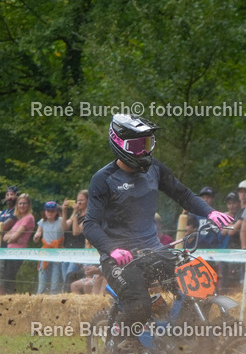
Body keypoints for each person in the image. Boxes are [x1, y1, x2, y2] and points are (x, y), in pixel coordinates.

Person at [84, 114, 232, 342]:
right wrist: (112, 249)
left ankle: (179, 342)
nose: (144, 151)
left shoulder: (154, 168)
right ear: (118, 143)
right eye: (136, 145)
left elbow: (182, 194)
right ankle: (115, 350)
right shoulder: (103, 179)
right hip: (120, 259)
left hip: (154, 251)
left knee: (197, 289)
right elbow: (90, 224)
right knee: (139, 308)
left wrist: (210, 212)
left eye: (147, 144)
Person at [1, 193, 36, 294]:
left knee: (9, 277)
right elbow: (6, 237)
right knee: (5, 278)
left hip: (18, 252)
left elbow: (14, 236)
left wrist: (12, 238)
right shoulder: (19, 219)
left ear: (29, 205)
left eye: (24, 203)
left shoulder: (29, 218)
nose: (22, 205)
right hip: (9, 252)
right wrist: (11, 237)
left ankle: (10, 298)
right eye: (20, 203)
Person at [33, 201, 64, 294]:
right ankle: (39, 297)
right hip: (45, 252)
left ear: (56, 212)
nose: (50, 213)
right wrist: (37, 235)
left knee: (55, 281)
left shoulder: (61, 221)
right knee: (42, 280)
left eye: (52, 211)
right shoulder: (42, 222)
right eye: (48, 211)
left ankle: (53, 299)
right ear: (45, 212)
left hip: (57, 252)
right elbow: (37, 236)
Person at [61, 190, 88, 290]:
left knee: (69, 275)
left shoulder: (88, 216)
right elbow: (64, 227)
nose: (79, 203)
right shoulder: (76, 214)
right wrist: (64, 211)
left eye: (82, 200)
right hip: (67, 250)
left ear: (88, 201)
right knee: (65, 278)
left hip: (79, 251)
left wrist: (75, 215)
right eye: (78, 200)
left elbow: (76, 232)